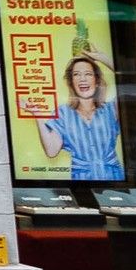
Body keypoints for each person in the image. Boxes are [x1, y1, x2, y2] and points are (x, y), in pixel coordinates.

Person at [38, 51, 123, 180]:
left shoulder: (110, 109)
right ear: (71, 82)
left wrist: (102, 58)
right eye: (76, 75)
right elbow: (51, 150)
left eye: (88, 74)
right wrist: (37, 115)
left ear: (97, 80)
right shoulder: (63, 113)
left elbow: (128, 78)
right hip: (82, 184)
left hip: (114, 180)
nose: (82, 79)